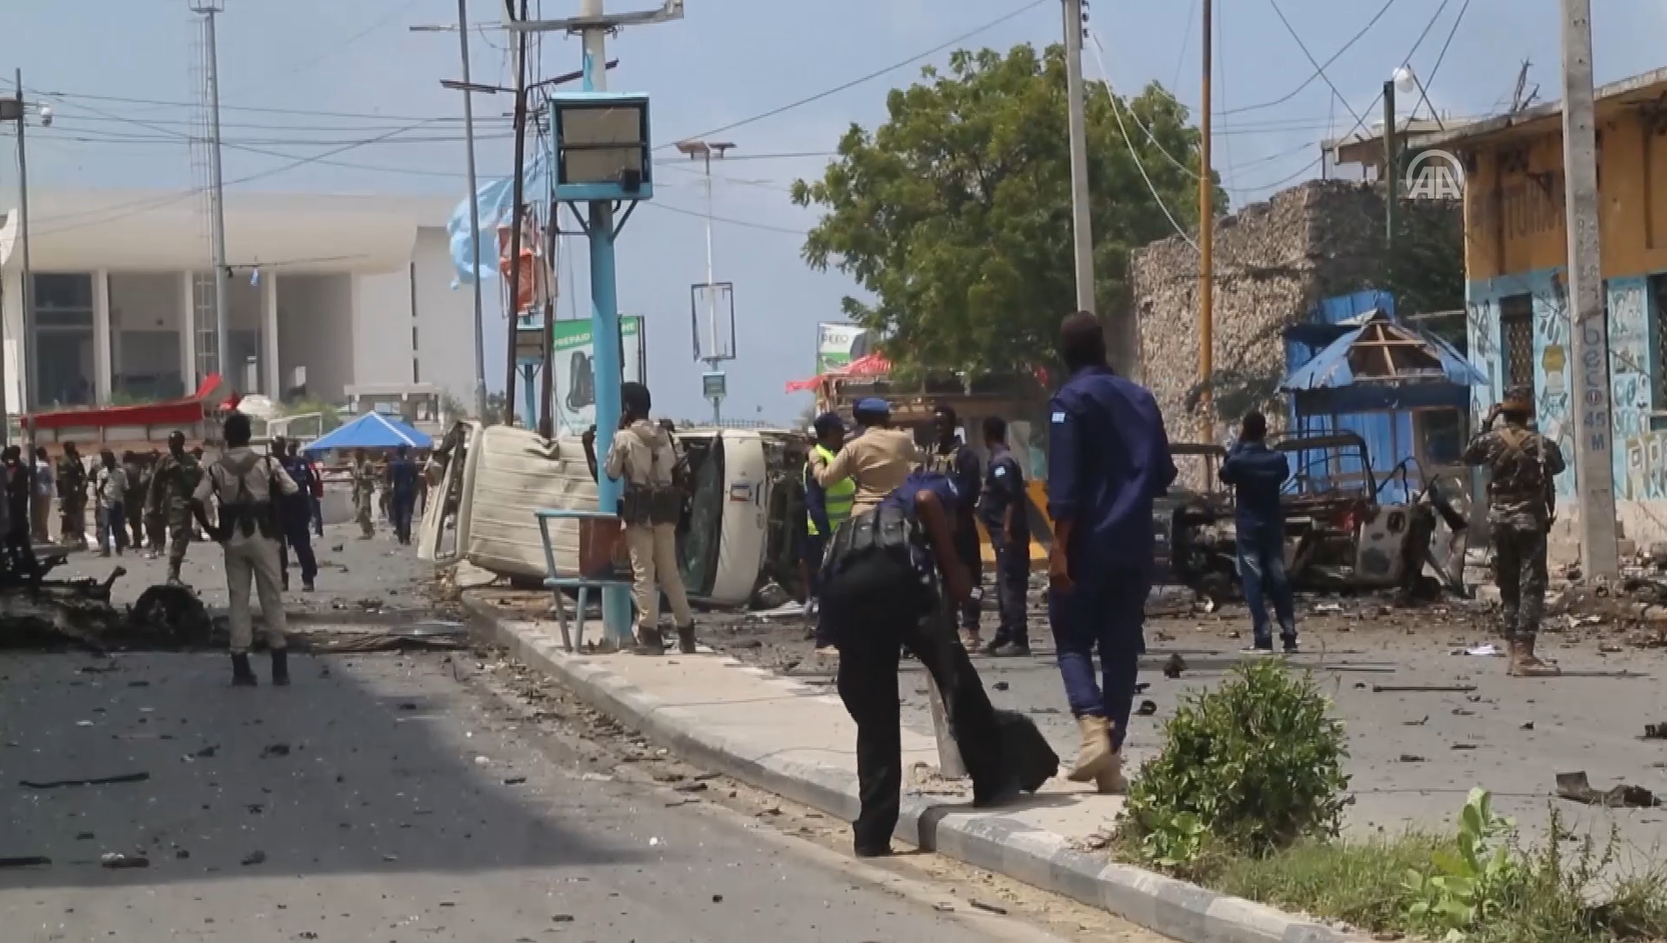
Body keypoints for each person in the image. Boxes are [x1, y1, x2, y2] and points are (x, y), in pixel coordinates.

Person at [820, 467, 1057, 857]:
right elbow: (929, 504)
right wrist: (955, 570)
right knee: (955, 676)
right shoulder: (937, 489)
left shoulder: (873, 514)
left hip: (843, 589)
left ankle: (872, 834)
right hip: (893, 578)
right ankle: (992, 779)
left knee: (876, 718)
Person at [1046, 311, 1176, 794]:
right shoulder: (1141, 399)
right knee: (1122, 647)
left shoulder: (1069, 401)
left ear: (1065, 354)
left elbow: (1066, 487)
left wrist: (1060, 548)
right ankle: (1111, 759)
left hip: (1088, 540)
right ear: (1105, 349)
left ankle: (1092, 727)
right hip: (1135, 542)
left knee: (1072, 638)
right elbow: (1162, 473)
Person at [581, 382, 697, 655]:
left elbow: (608, 474)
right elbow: (683, 471)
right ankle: (687, 632)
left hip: (640, 512)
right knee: (670, 575)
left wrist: (590, 446)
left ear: (628, 407)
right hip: (667, 511)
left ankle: (650, 635)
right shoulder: (667, 435)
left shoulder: (624, 438)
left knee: (643, 574)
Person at [1463, 385, 1565, 678]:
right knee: (1531, 585)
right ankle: (1525, 654)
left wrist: (1485, 424)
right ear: (1529, 412)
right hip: (1530, 524)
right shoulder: (1541, 444)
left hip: (1500, 523)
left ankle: (1513, 650)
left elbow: (1469, 455)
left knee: (1508, 586)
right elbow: (1558, 466)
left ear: (1501, 412)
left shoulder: (1490, 442)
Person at [193, 411, 299, 686]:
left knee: (238, 600)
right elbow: (292, 490)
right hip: (264, 537)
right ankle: (280, 667)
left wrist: (211, 530)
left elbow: (196, 500)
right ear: (249, 436)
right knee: (271, 597)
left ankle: (241, 666)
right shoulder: (267, 462)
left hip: (233, 538)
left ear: (227, 437)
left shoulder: (216, 468)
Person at [1220, 411, 1297, 654]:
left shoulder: (1239, 461)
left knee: (1253, 579)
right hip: (1272, 525)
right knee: (1278, 578)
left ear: (1245, 430)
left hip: (1249, 526)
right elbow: (1283, 475)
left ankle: (1263, 636)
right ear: (1265, 431)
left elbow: (1225, 473)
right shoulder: (1277, 460)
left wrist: (1239, 443)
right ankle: (1290, 634)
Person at [923, 405, 985, 648]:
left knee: (971, 575)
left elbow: (970, 490)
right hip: (935, 528)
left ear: (952, 424)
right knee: (939, 577)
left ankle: (972, 627)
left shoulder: (965, 455)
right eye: (935, 424)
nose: (939, 429)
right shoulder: (929, 455)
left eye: (943, 423)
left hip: (960, 524)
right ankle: (947, 628)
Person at [978, 416, 1032, 657]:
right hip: (1002, 535)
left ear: (986, 435)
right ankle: (1005, 633)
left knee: (1011, 586)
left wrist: (1008, 529)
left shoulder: (1002, 462)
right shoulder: (1001, 459)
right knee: (1003, 585)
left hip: (1008, 535)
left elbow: (1012, 497)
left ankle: (1018, 638)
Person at [815, 398, 925, 512]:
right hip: (899, 510)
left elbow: (825, 480)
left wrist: (812, 454)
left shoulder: (853, 447)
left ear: (861, 421)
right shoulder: (902, 439)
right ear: (884, 418)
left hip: (865, 512)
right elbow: (921, 458)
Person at [801, 413, 854, 640]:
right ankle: (825, 635)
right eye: (839, 429)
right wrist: (827, 535)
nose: (843, 433)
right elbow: (815, 503)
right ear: (830, 432)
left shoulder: (836, 455)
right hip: (826, 533)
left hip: (842, 530)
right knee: (829, 586)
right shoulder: (820, 459)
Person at [147, 432, 201, 585]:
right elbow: (155, 484)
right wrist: (152, 506)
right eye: (170, 442)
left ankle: (174, 573)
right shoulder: (164, 461)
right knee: (175, 536)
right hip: (169, 504)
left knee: (182, 538)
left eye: (175, 442)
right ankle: (172, 574)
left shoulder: (190, 461)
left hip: (185, 504)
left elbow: (198, 481)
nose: (172, 446)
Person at [275, 438, 319, 593]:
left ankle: (308, 578)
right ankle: (282, 579)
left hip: (297, 510)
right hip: (279, 511)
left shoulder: (297, 464)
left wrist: (312, 505)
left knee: (302, 546)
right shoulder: (270, 465)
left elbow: (312, 484)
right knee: (278, 548)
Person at [385, 444, 421, 545]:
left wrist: (388, 489)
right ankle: (406, 537)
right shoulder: (410, 464)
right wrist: (414, 490)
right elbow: (416, 479)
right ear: (405, 451)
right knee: (406, 514)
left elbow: (387, 480)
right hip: (408, 490)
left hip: (395, 491)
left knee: (397, 514)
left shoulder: (391, 464)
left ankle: (400, 536)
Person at [57, 442, 87, 547]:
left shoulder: (75, 460)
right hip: (68, 493)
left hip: (76, 493)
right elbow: (63, 480)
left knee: (78, 515)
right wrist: (65, 495)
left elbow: (82, 474)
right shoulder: (64, 462)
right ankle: (68, 537)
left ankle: (78, 535)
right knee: (69, 515)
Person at [122, 451, 149, 552]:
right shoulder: (138, 468)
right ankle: (137, 541)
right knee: (136, 521)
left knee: (123, 520)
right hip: (137, 496)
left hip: (127, 496)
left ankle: (126, 541)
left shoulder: (124, 468)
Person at [352, 449, 378, 539]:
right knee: (360, 512)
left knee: (361, 511)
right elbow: (355, 478)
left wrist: (365, 477)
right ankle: (367, 530)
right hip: (358, 489)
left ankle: (368, 530)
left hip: (366, 489)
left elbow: (375, 475)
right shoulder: (356, 464)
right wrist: (354, 491)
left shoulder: (367, 464)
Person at [31, 447, 53, 545]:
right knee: (44, 516)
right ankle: (44, 536)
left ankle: (37, 535)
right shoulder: (45, 466)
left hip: (35, 493)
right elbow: (51, 480)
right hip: (44, 492)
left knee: (37, 515)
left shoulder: (33, 465)